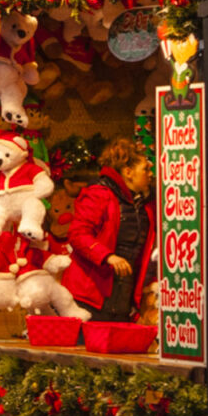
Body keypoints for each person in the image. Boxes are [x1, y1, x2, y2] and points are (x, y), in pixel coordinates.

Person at [61, 137, 157, 322]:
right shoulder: (100, 193)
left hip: (124, 294)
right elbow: (78, 234)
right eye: (145, 169)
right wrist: (107, 256)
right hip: (92, 293)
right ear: (128, 172)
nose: (150, 174)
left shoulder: (144, 202)